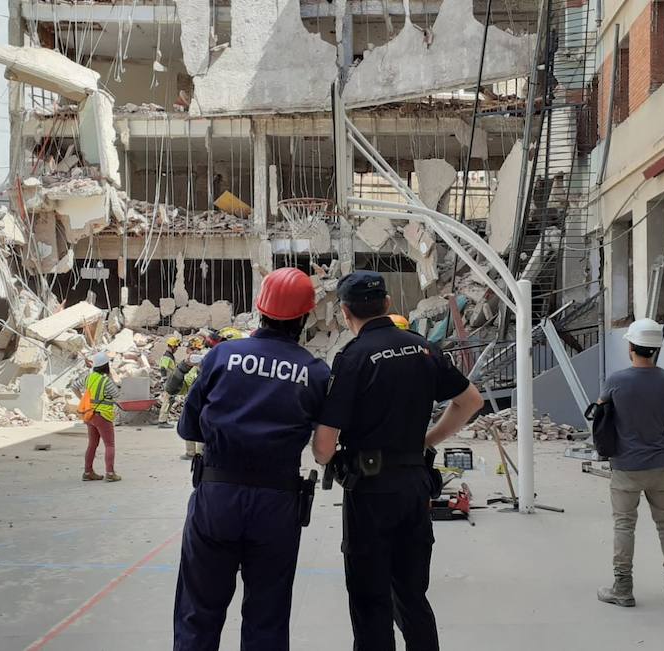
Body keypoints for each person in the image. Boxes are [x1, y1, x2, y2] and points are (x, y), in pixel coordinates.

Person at [314, 271, 483, 651]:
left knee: (370, 600)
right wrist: (427, 439)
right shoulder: (422, 348)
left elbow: (325, 447)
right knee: (412, 595)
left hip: (371, 492)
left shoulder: (352, 358)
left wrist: (322, 453)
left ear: (344, 312)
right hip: (415, 485)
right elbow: (471, 401)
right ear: (388, 305)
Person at [172, 267, 332, 650]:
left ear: (260, 308)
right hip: (276, 505)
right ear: (305, 317)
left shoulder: (223, 355)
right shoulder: (315, 372)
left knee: (198, 615)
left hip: (217, 496)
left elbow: (187, 429)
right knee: (267, 621)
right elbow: (324, 444)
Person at [596, 318, 664, 607]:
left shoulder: (617, 381)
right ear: (656, 349)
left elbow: (602, 411)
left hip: (626, 465)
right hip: (659, 463)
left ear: (632, 346)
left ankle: (623, 588)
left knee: (624, 525)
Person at [82, 352, 121, 482]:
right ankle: (110, 473)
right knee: (109, 445)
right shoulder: (106, 381)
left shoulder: (88, 377)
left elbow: (74, 386)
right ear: (106, 366)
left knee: (92, 444)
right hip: (103, 415)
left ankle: (88, 472)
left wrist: (84, 400)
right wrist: (111, 376)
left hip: (90, 414)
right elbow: (116, 394)